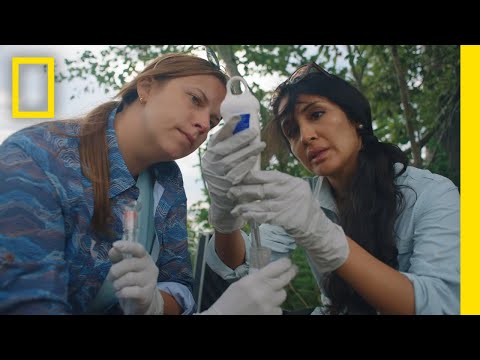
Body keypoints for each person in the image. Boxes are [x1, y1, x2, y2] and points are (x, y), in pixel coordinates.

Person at [0, 51, 297, 315]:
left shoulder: (167, 182)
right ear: (146, 87)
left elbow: (179, 285)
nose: (204, 124)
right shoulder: (34, 159)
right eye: (195, 99)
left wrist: (153, 303)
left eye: (214, 120)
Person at [201, 62, 460, 315]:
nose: (306, 136)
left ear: (355, 118)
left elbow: (443, 304)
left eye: (316, 114)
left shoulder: (431, 193)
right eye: (291, 130)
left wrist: (325, 236)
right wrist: (225, 212)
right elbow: (246, 273)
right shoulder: (299, 198)